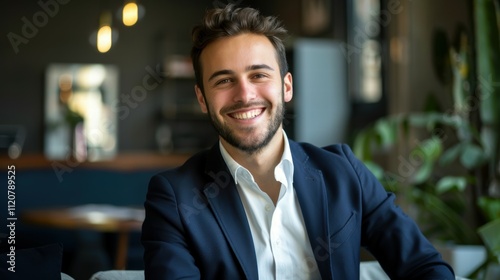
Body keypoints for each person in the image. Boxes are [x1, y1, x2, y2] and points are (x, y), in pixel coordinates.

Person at [141, 4, 455, 279]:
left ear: (286, 87)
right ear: (202, 99)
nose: (245, 95)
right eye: (224, 80)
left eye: (259, 75)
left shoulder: (344, 172)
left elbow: (424, 268)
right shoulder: (174, 199)